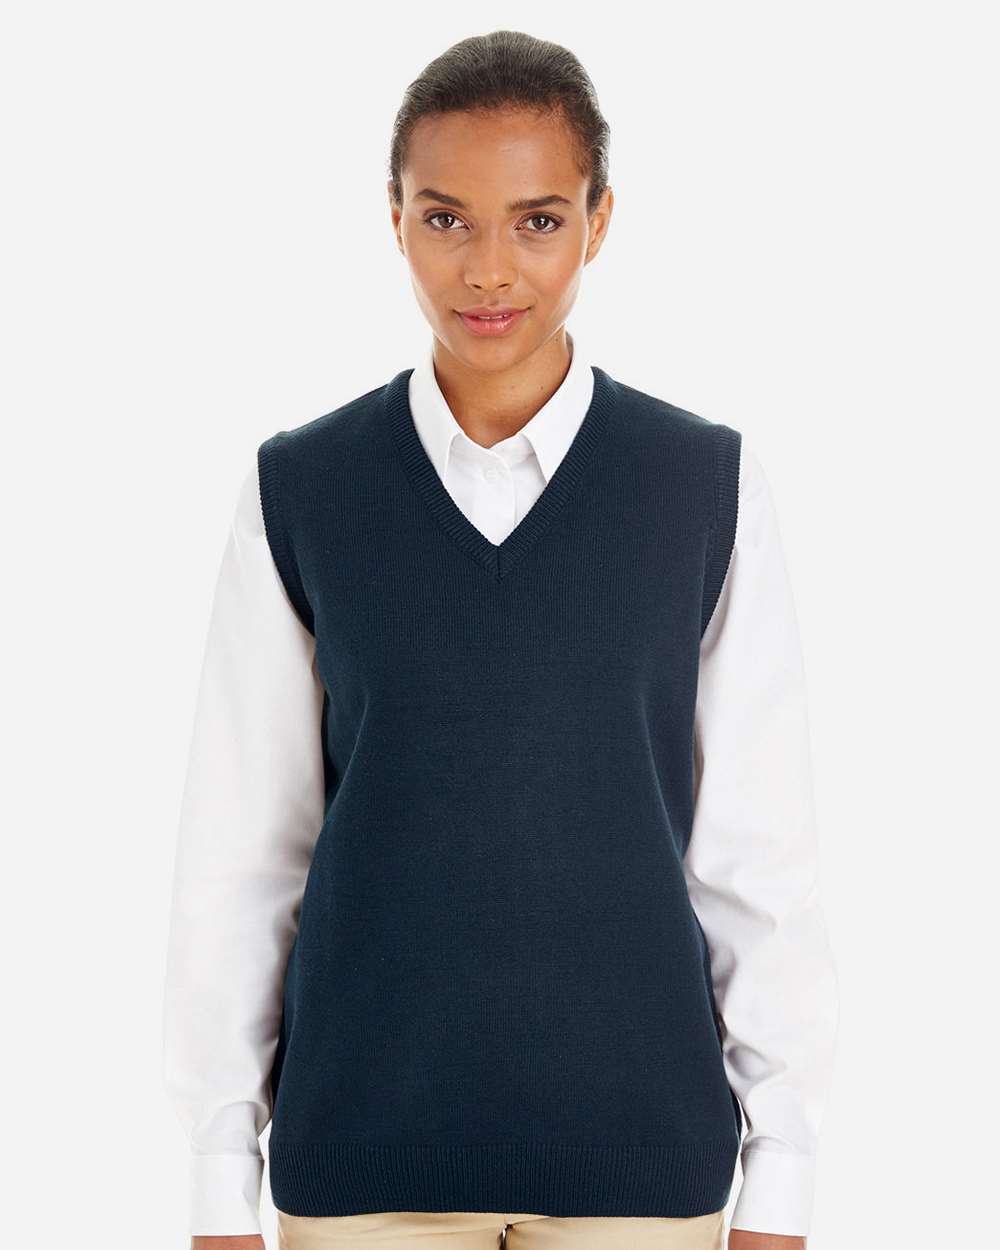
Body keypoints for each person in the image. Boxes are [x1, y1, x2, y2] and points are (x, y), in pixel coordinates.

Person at [162, 29, 838, 1250]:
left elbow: (755, 856)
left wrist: (782, 1168)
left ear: (598, 221)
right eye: (445, 218)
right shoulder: (303, 489)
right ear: (394, 219)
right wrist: (219, 1170)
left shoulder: (700, 485)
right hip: (363, 1161)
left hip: (641, 1161)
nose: (487, 269)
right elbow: (246, 852)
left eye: (536, 221)